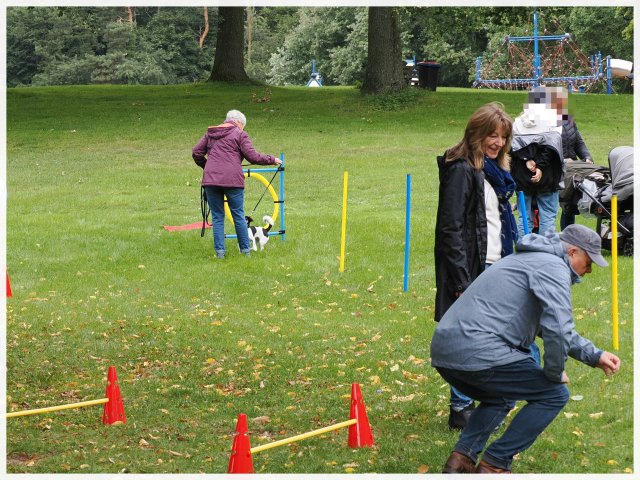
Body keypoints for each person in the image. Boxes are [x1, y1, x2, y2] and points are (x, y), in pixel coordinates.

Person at [431, 224, 621, 474]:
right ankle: (495, 464)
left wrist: (595, 355)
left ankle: (461, 460)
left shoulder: (530, 259)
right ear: (572, 252)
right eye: (588, 263)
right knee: (554, 394)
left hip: (445, 349)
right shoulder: (553, 267)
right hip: (478, 350)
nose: (588, 271)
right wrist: (554, 373)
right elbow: (559, 329)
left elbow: (547, 324)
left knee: (500, 395)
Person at [434, 102, 518, 430]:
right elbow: (450, 228)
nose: (498, 142)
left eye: (503, 137)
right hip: (471, 267)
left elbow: (493, 220)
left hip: (496, 262)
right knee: (468, 337)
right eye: (492, 135)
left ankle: (486, 401)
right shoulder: (462, 169)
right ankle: (461, 407)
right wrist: (461, 281)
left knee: (492, 336)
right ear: (476, 133)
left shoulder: (493, 171)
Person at [192, 110, 281, 259]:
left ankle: (220, 253)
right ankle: (245, 251)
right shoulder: (239, 134)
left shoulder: (211, 133)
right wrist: (271, 159)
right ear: (239, 123)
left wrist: (208, 167)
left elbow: (196, 152)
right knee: (238, 215)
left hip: (211, 180)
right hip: (232, 180)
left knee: (217, 217)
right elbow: (252, 156)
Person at [511, 86, 565, 236]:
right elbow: (551, 148)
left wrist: (527, 159)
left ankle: (523, 247)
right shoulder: (553, 121)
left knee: (524, 217)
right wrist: (540, 167)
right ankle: (545, 248)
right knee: (547, 216)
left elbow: (514, 147)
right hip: (547, 176)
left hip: (523, 175)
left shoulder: (518, 123)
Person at [555, 89, 594, 229]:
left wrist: (587, 157)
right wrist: (562, 160)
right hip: (556, 169)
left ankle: (567, 235)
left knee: (569, 206)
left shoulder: (569, 120)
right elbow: (545, 148)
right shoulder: (546, 123)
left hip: (572, 170)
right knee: (553, 206)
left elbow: (578, 142)